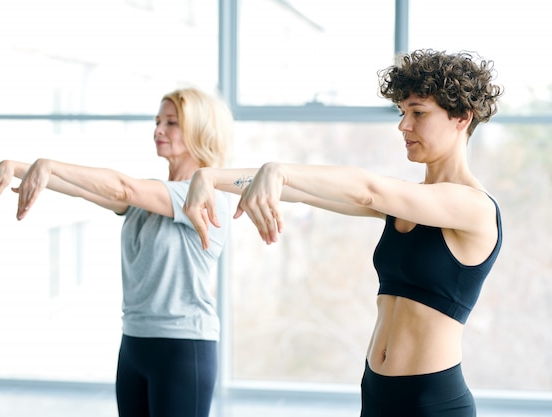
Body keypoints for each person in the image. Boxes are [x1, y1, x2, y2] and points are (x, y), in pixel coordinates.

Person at [183, 49, 503, 416]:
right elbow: (303, 192)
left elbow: (367, 188)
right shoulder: (408, 201)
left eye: (418, 112)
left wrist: (279, 169)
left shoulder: (475, 208)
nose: (403, 126)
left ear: (462, 117)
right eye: (402, 113)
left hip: (432, 403)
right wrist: (209, 177)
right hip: (376, 392)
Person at [0, 87, 234, 417]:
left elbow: (123, 187)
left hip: (183, 347)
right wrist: (16, 167)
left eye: (171, 123)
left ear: (200, 129)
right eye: (157, 121)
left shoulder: (204, 199)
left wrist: (48, 165)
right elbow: (85, 188)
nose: (158, 130)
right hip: (134, 343)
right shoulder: (147, 200)